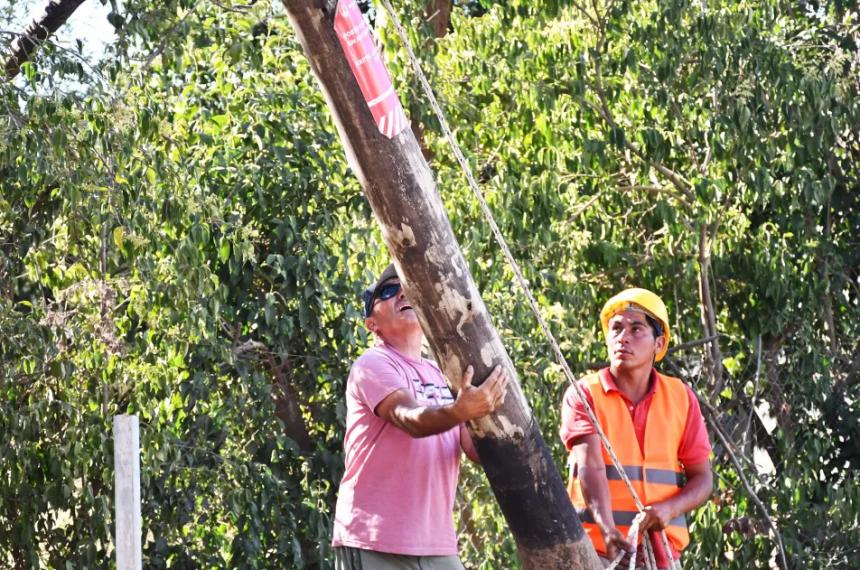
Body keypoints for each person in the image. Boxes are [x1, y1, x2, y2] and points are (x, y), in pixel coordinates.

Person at [332, 264, 508, 569]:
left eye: (405, 285)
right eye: (387, 291)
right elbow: (409, 417)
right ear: (372, 324)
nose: (401, 291)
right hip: (375, 541)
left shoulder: (443, 374)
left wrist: (499, 420)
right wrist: (459, 410)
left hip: (437, 544)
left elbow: (474, 448)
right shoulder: (373, 363)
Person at [559, 288, 713, 569]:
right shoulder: (584, 394)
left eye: (636, 328)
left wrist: (669, 509)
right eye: (616, 328)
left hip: (662, 556)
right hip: (596, 555)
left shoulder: (680, 397)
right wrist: (608, 530)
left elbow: (703, 478)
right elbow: (589, 468)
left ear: (659, 343)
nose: (623, 337)